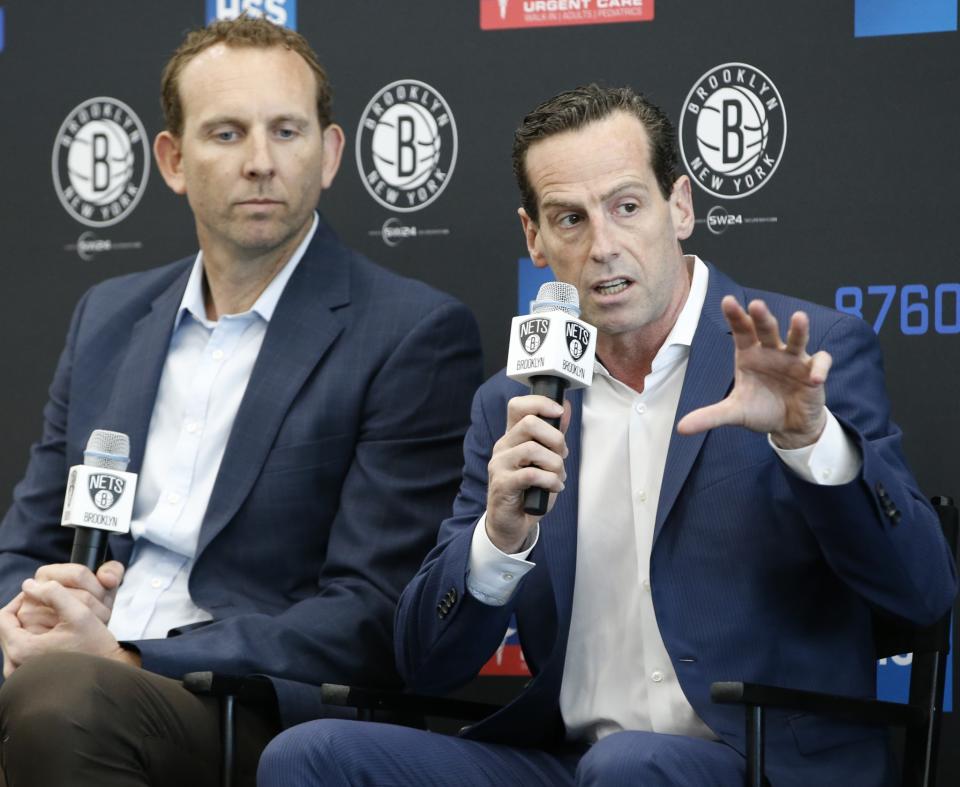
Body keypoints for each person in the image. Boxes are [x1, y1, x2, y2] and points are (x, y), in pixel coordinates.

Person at [256, 85, 957, 786]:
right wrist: (495, 541)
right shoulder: (516, 400)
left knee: (631, 764)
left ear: (679, 206)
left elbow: (923, 593)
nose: (603, 246)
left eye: (626, 206)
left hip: (758, 765)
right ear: (534, 238)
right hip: (569, 762)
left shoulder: (807, 356)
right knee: (310, 755)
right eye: (569, 219)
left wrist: (811, 441)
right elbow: (425, 662)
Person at [0, 16, 482, 787]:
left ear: (328, 155)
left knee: (63, 697)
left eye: (285, 131)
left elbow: (370, 610)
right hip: (74, 670)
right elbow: (26, 546)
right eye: (226, 134)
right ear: (173, 160)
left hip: (243, 703)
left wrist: (129, 654)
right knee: (48, 683)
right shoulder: (108, 319)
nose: (260, 162)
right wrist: (17, 624)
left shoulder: (411, 333)